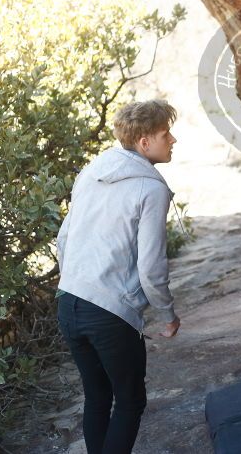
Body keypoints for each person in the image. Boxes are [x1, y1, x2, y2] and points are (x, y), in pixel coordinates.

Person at [56, 99, 181, 454]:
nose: (173, 140)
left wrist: (78, 282)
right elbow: (151, 267)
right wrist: (168, 314)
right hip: (109, 314)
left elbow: (63, 238)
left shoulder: (90, 172)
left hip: (68, 304)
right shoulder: (151, 189)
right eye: (165, 134)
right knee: (129, 402)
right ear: (144, 142)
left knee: (97, 398)